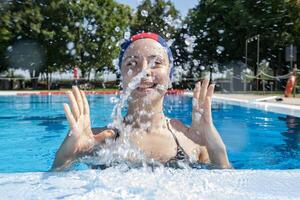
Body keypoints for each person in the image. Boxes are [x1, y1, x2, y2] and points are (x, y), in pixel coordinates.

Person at [51, 33, 231, 171]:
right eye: (131, 63)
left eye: (156, 62)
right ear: (122, 78)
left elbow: (225, 188)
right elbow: (53, 185)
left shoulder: (191, 140)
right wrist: (66, 155)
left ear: (170, 75)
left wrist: (217, 151)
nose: (144, 71)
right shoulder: (96, 141)